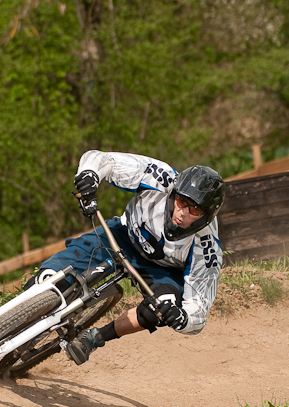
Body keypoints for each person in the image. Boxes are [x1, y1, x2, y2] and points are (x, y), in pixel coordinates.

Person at [29, 150, 225, 365]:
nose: (183, 212)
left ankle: (94, 338)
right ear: (175, 192)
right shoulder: (161, 177)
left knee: (160, 310)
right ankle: (26, 306)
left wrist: (183, 318)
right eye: (181, 201)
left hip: (163, 270)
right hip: (124, 235)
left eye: (195, 210)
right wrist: (89, 176)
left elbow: (199, 308)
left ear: (208, 216)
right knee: (57, 272)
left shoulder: (207, 249)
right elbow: (103, 160)